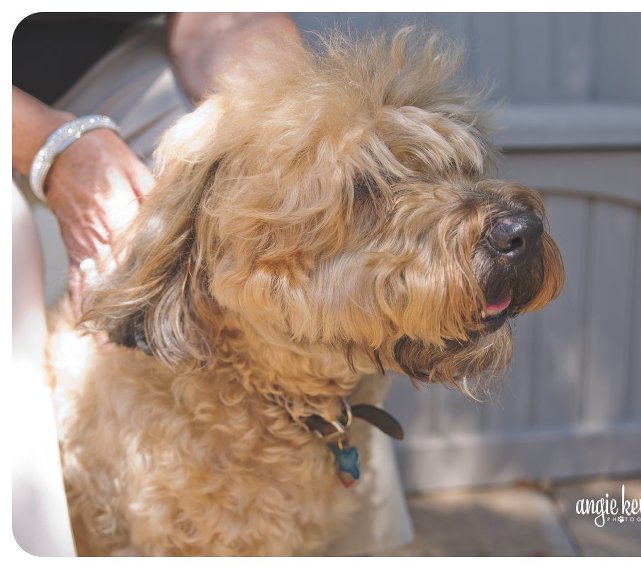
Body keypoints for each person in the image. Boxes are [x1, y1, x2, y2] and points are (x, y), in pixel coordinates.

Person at [12, 13, 412, 556]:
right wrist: (55, 147)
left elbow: (224, 17)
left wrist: (292, 129)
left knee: (314, 217)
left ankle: (343, 526)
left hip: (101, 68)